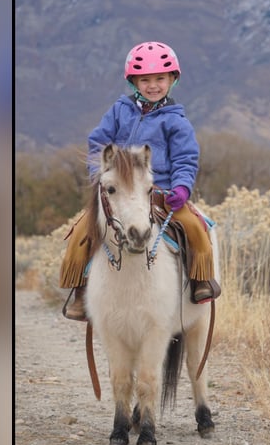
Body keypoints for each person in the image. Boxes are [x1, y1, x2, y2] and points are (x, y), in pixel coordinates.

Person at [59, 41, 221, 321]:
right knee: (81, 232)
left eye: (160, 78)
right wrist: (100, 176)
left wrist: (182, 187)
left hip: (162, 191)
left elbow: (186, 158)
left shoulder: (176, 121)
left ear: (172, 80)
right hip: (120, 192)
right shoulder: (119, 111)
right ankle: (81, 290)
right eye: (145, 80)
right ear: (134, 82)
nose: (153, 85)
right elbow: (97, 142)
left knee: (196, 228)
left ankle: (200, 281)